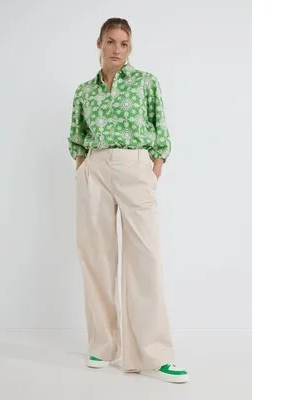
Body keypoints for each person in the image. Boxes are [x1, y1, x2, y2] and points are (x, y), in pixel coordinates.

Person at [68, 18, 189, 384]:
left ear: (130, 47)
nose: (117, 49)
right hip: (95, 168)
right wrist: (83, 167)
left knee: (145, 258)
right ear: (99, 44)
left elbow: (160, 128)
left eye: (123, 43)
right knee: (97, 257)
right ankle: (103, 345)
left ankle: (155, 354)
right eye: (111, 41)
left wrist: (155, 165)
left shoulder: (146, 82)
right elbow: (77, 135)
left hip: (135, 166)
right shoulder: (84, 91)